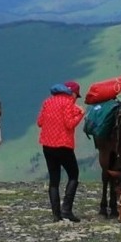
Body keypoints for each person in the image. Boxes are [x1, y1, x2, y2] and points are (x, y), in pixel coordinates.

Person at [37, 80, 86, 222]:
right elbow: (70, 124)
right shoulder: (68, 103)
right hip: (63, 145)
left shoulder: (47, 102)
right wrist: (81, 114)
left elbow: (40, 122)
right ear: (73, 93)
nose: (76, 98)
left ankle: (56, 215)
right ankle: (66, 210)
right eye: (76, 95)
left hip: (47, 146)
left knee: (54, 180)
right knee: (73, 174)